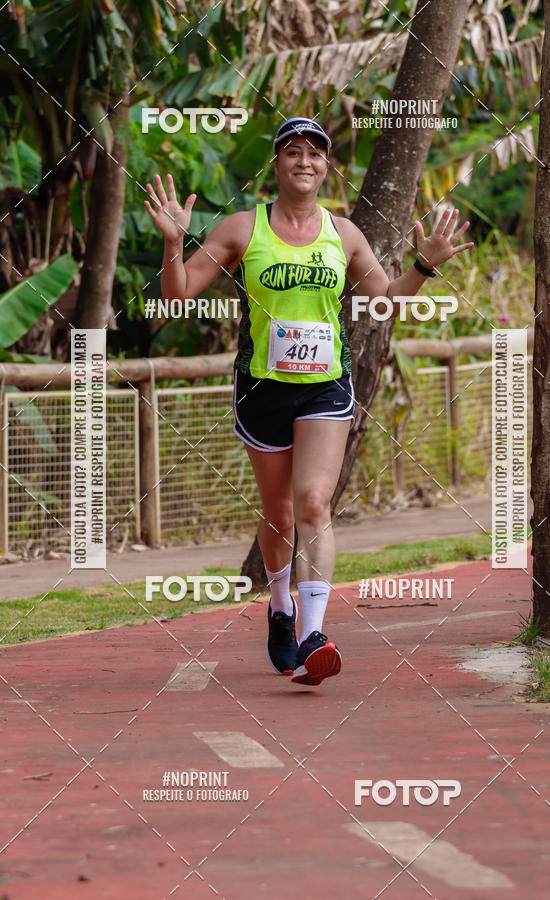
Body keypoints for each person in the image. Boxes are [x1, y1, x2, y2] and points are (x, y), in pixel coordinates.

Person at [145, 116, 473, 686]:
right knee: (277, 515)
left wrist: (423, 265)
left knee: (314, 502)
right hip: (263, 388)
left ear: (326, 166)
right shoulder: (243, 229)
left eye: (315, 153)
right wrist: (175, 241)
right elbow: (179, 293)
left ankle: (315, 634)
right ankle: (280, 606)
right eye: (292, 151)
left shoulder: (343, 234)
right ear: (276, 164)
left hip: (326, 385)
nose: (304, 161)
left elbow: (385, 301)